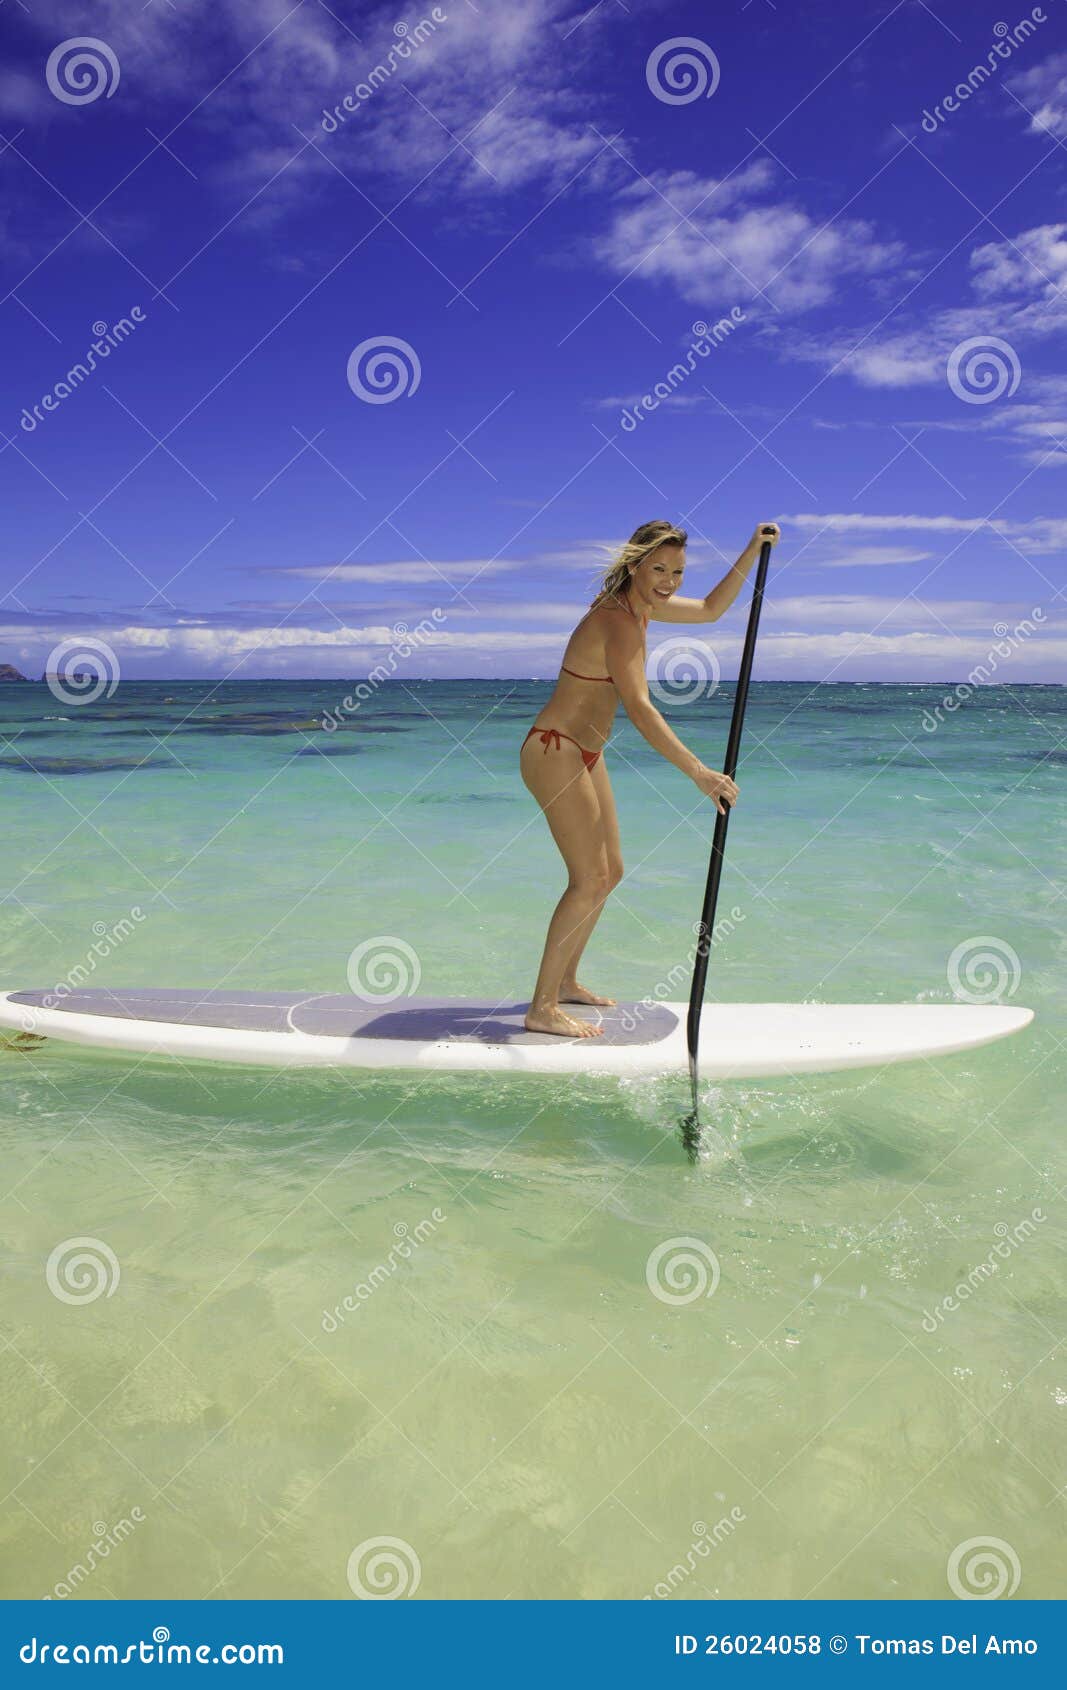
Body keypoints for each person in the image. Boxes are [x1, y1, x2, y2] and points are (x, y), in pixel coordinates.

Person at [520, 518, 780, 1037]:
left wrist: (753, 549)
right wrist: (698, 772)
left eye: (677, 572)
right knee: (588, 879)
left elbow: (710, 610)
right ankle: (541, 1007)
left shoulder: (643, 609)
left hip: (584, 752)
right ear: (635, 565)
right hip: (554, 749)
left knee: (609, 872)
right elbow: (640, 708)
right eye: (659, 569)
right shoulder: (617, 619)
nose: (669, 581)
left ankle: (565, 982)